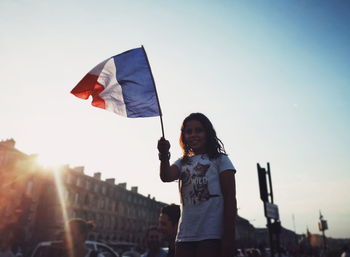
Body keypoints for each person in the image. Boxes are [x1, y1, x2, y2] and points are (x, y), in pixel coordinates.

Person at [157, 113, 237, 257]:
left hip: (212, 235)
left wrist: (228, 236)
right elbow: (166, 176)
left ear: (208, 132)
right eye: (189, 131)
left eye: (198, 130)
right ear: (183, 136)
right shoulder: (182, 162)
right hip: (184, 236)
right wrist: (164, 155)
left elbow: (230, 198)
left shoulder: (220, 160)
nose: (193, 134)